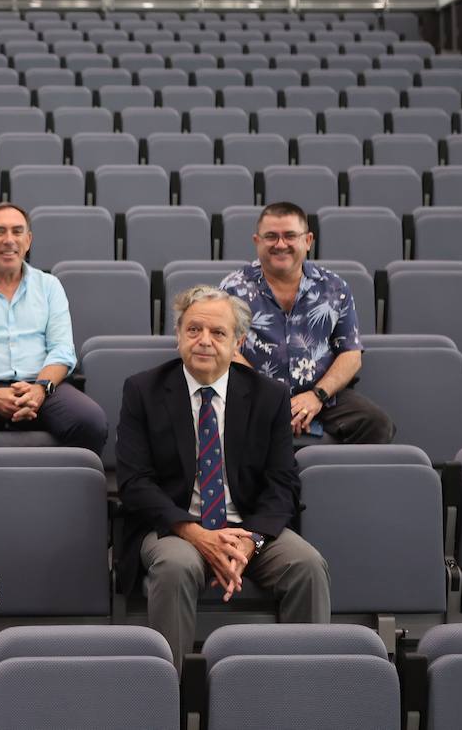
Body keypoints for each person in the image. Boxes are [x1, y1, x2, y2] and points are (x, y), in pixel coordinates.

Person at [116, 285, 331, 666]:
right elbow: (135, 483)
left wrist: (249, 541)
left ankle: (305, 691)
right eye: (194, 329)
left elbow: (283, 482)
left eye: (218, 333)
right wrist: (195, 533)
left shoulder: (270, 396)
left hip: (247, 528)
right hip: (174, 527)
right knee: (175, 567)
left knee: (307, 565)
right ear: (178, 334)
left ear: (238, 342)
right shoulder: (142, 390)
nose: (204, 341)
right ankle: (170, 698)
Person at [0, 202, 109, 474]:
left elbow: (62, 351)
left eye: (17, 232)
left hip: (42, 385)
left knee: (90, 420)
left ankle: (64, 494)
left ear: (28, 240)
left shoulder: (49, 286)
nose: (9, 240)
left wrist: (40, 390)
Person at [219, 202, 394, 444]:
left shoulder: (334, 287)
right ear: (257, 241)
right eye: (271, 236)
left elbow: (351, 354)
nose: (281, 244)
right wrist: (269, 398)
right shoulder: (232, 288)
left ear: (308, 240)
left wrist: (317, 396)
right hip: (255, 394)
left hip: (321, 394)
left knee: (376, 423)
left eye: (290, 236)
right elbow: (226, 351)